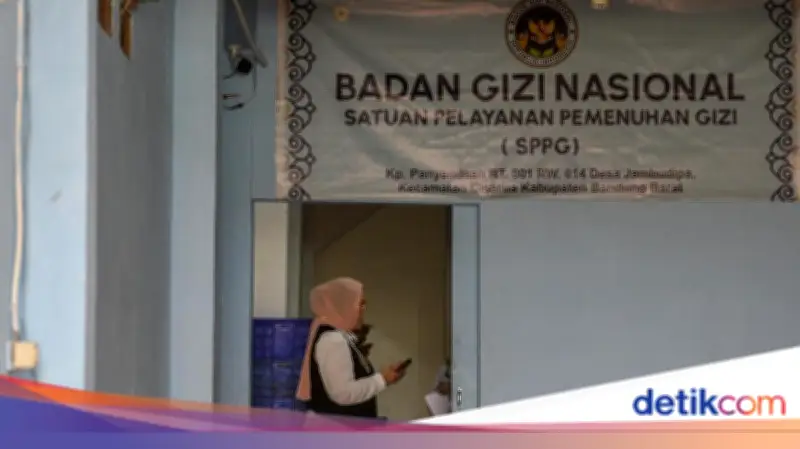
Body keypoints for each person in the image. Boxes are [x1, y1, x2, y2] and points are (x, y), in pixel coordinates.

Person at [296, 277, 408, 419]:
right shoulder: (333, 340)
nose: (363, 310)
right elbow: (343, 393)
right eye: (360, 304)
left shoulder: (341, 338)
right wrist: (382, 379)